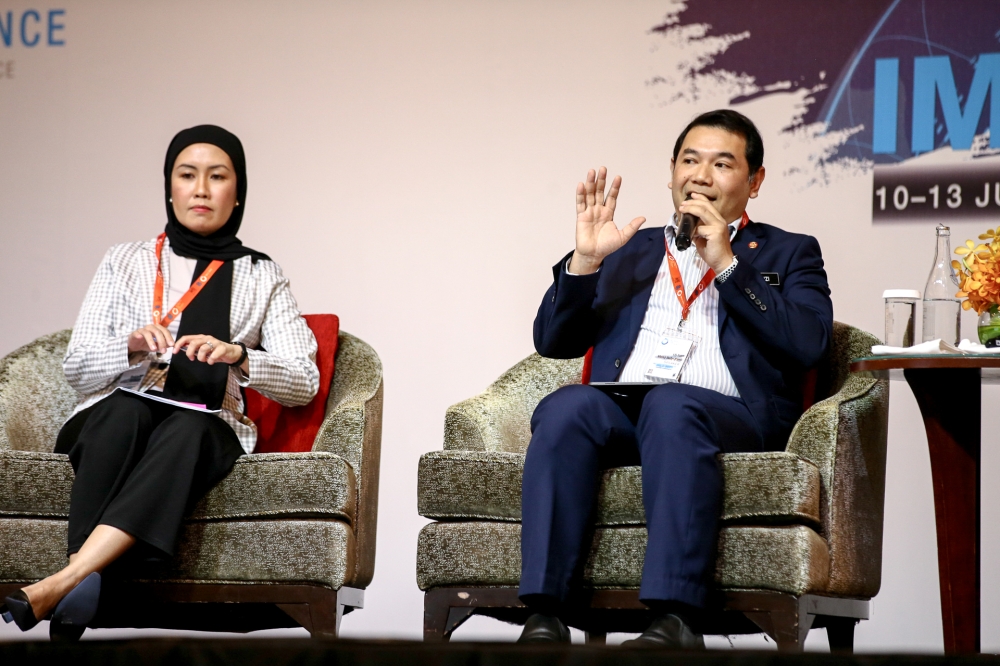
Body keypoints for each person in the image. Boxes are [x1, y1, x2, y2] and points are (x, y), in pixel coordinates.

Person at [517, 109, 833, 647]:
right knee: (566, 406)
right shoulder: (629, 249)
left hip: (727, 417)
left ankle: (675, 617)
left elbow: (808, 344)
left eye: (722, 163)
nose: (701, 175)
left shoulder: (789, 250)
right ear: (670, 172)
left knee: (672, 405)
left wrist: (728, 264)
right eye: (689, 160)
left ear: (754, 182)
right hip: (623, 411)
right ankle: (545, 612)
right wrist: (586, 263)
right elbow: (553, 342)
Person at [0, 125, 319, 641]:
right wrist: (129, 345)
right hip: (118, 407)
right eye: (186, 175)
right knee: (124, 413)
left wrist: (241, 356)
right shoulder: (124, 260)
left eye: (217, 177)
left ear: (237, 193)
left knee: (188, 430)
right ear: (169, 187)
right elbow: (77, 367)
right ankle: (78, 582)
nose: (200, 189)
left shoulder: (263, 274)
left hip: (208, 419)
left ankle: (68, 579)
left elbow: (303, 379)